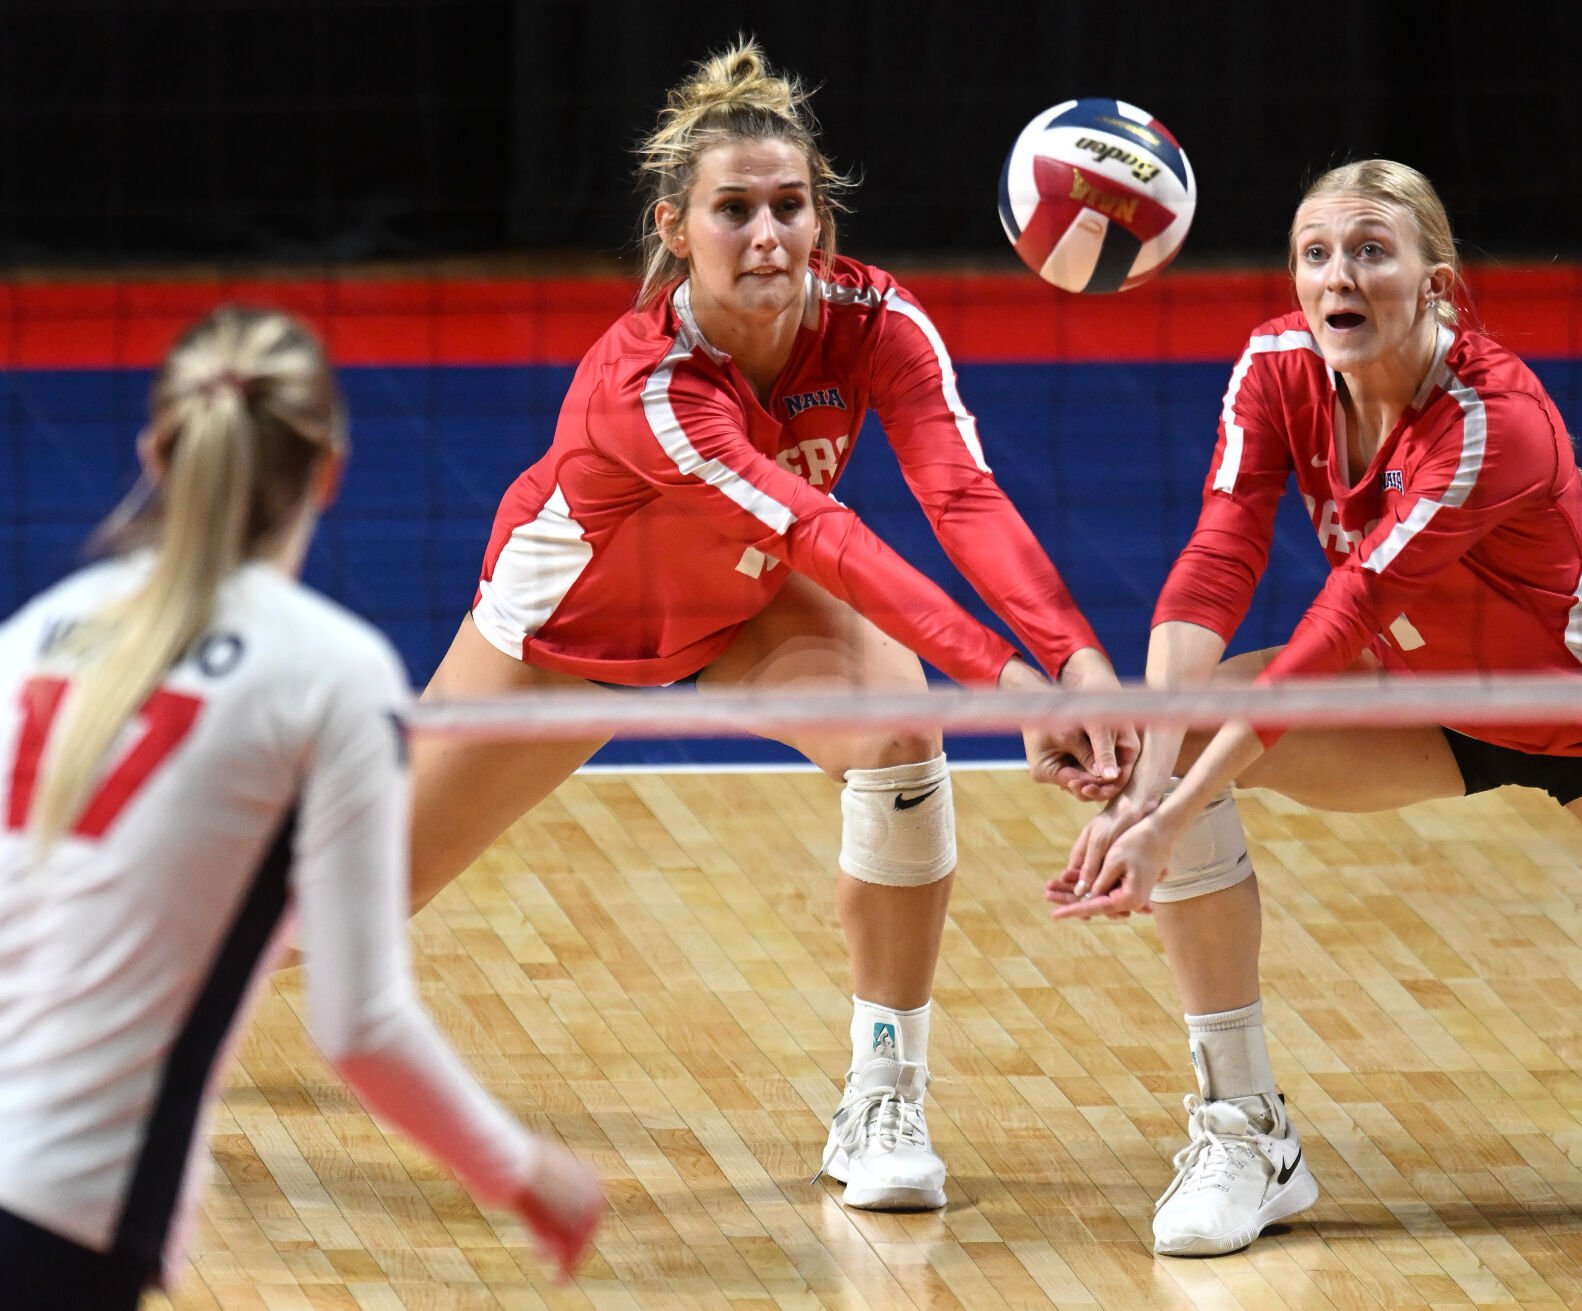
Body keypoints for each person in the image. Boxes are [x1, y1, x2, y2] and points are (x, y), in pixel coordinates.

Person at [410, 38, 1136, 1214]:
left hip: (743, 603)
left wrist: (1081, 664)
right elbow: (828, 539)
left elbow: (962, 495)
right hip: (565, 644)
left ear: (822, 222)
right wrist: (1012, 686)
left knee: (900, 743)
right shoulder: (651, 385)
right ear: (672, 228)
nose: (765, 235)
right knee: (338, 915)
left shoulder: (876, 320)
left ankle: (883, 1097)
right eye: (732, 209)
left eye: (788, 207)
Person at [0, 308, 606, 1309]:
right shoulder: (330, 674)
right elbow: (360, 1022)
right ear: (329, 472)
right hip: (61, 1210)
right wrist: (522, 1171)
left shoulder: (34, 634)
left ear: (156, 452)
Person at [1049, 159, 1582, 1257]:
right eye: (1315, 252)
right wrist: (1154, 784)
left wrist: (1158, 813)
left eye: (1370, 251)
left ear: (1435, 283)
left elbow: (1334, 625)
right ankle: (1245, 1130)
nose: (1338, 275)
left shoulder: (1488, 424)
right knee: (1190, 725)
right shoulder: (1277, 368)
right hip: (1439, 708)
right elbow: (1215, 558)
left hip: (1563, 703)